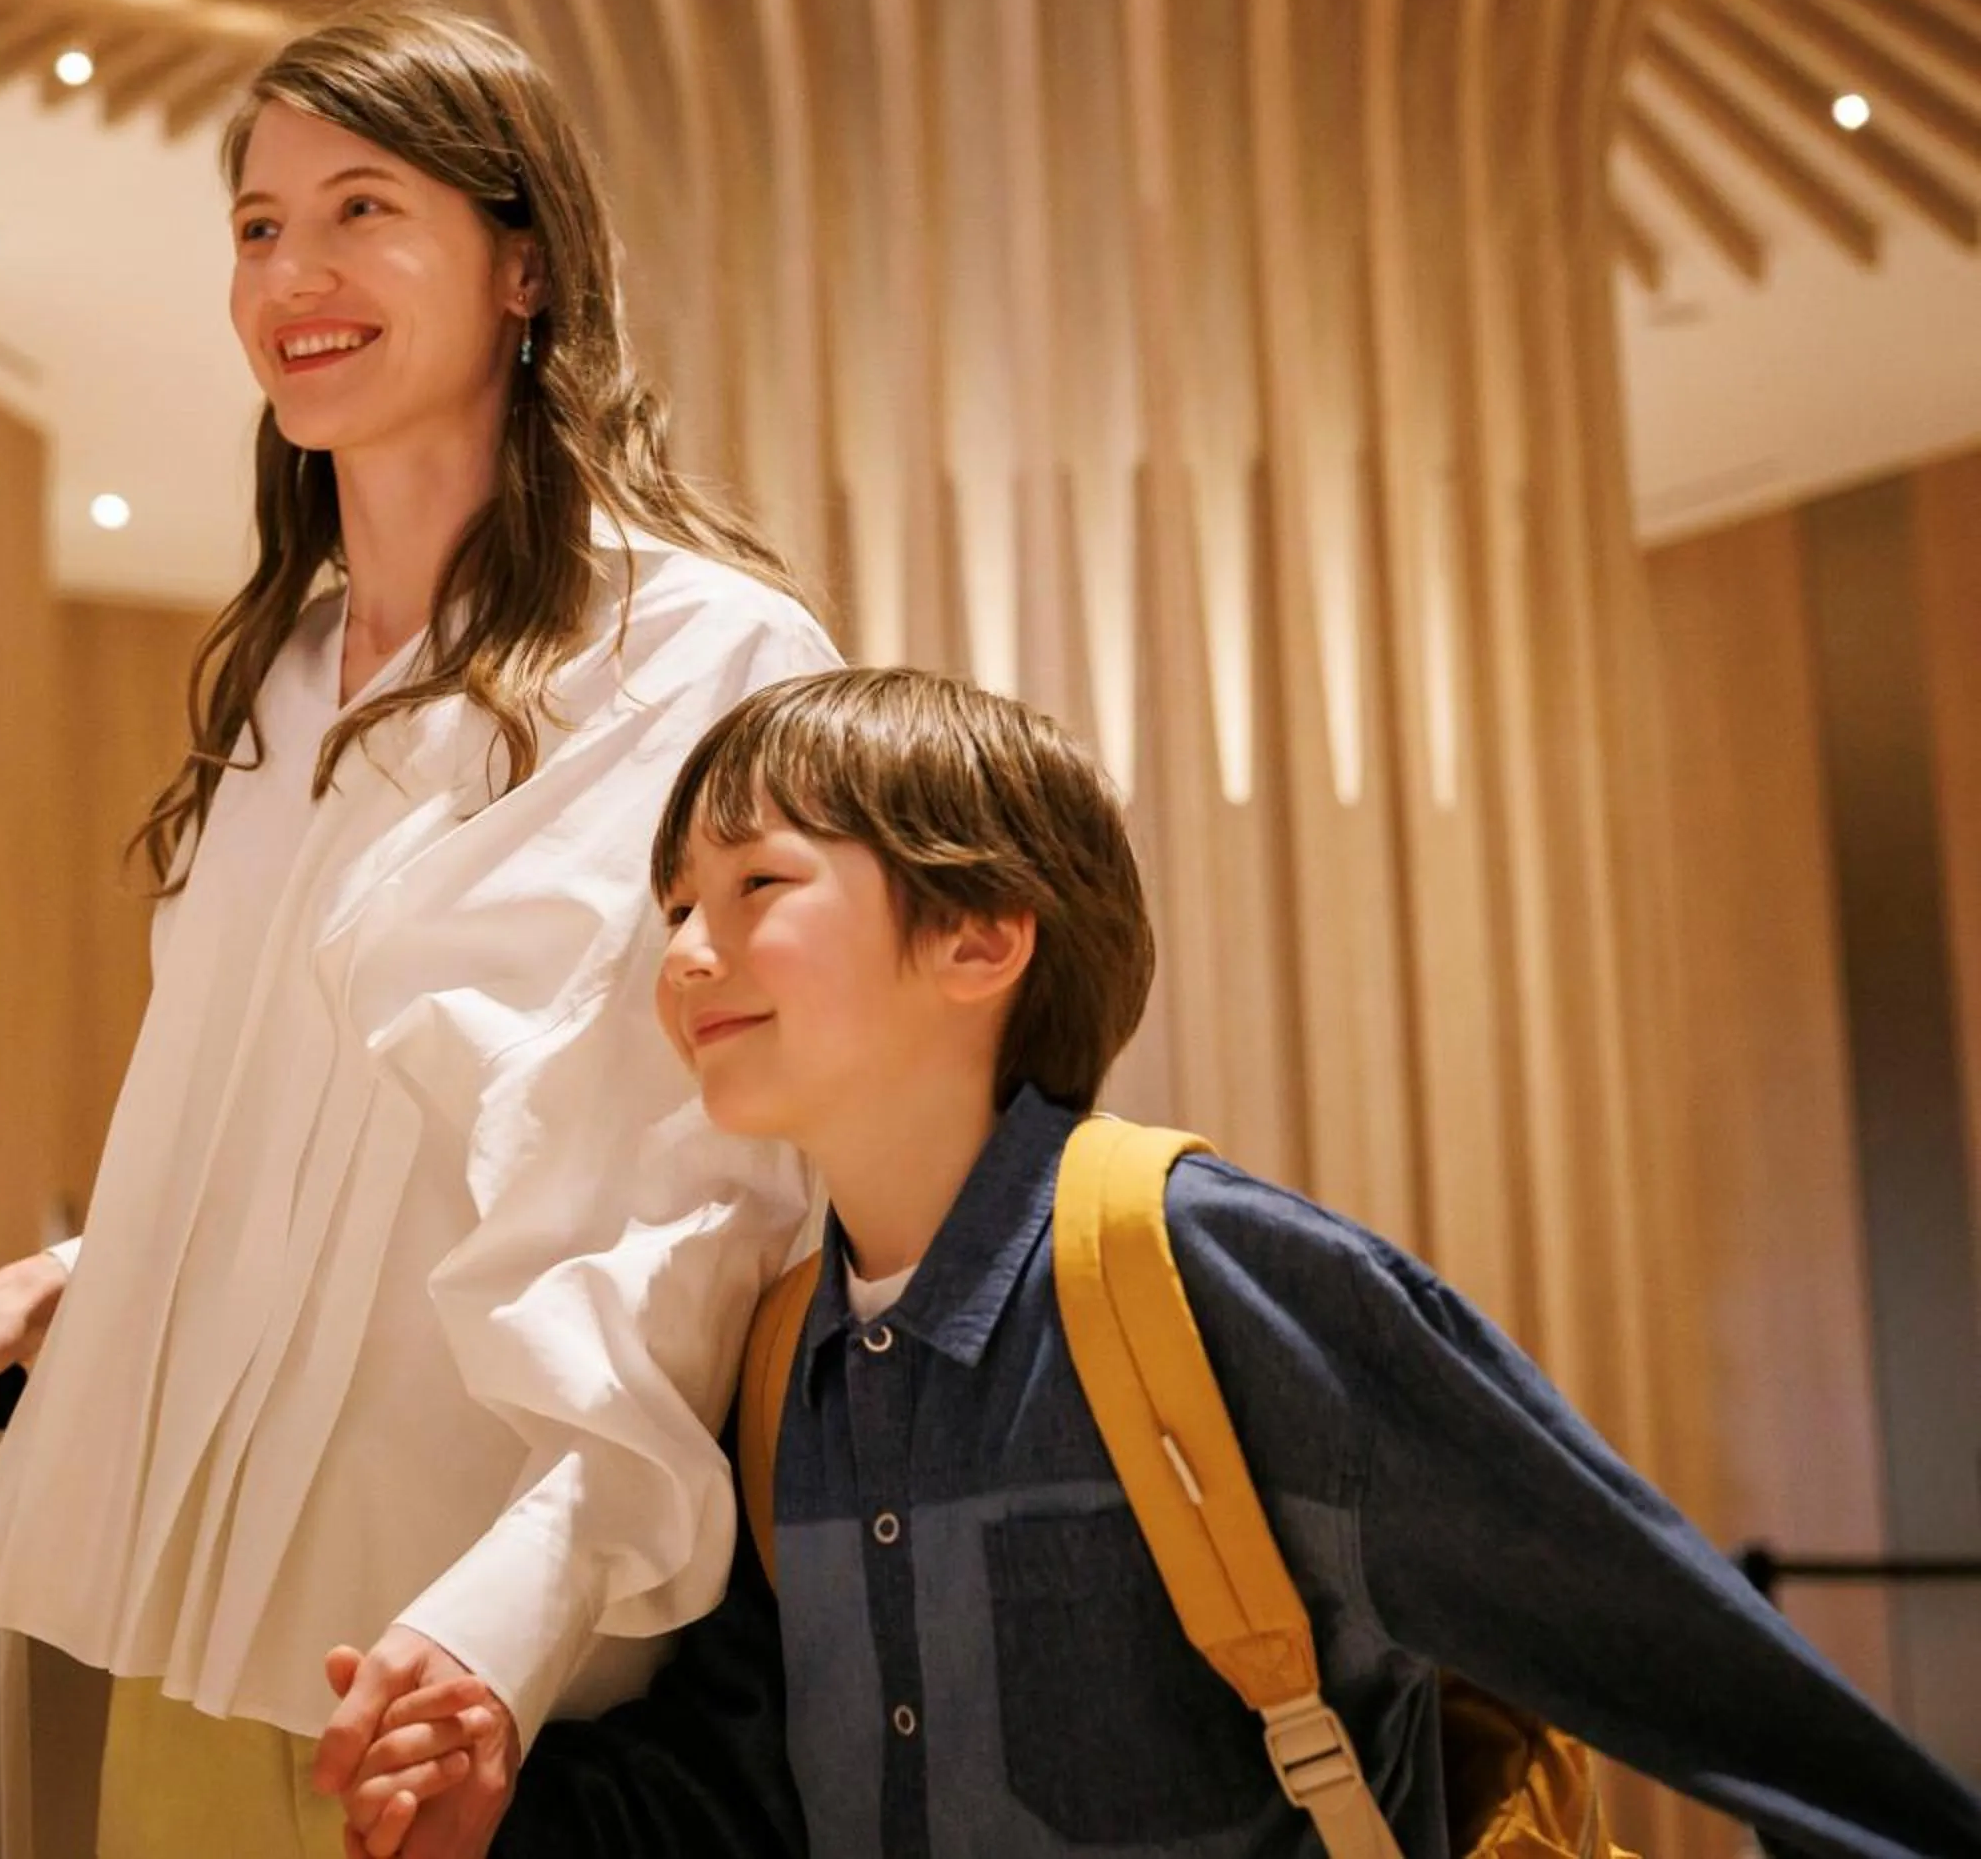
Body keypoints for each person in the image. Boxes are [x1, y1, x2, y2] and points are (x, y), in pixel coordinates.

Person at [352, 666, 1981, 1856]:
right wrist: (501, 1806)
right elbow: (749, 1795)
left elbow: (1687, 1663)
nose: (687, 951)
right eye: (675, 906)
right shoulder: (782, 1363)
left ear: (981, 936)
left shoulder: (1217, 1280)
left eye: (756, 884)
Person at [0, 0, 840, 1859]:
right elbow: (260, 1133)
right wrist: (52, 1292)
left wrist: (503, 1628)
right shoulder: (276, 680)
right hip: (200, 1625)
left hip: (470, 1674)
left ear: (522, 265)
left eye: (364, 207)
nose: (297, 269)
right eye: (259, 223)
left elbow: (705, 1211)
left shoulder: (709, 658)